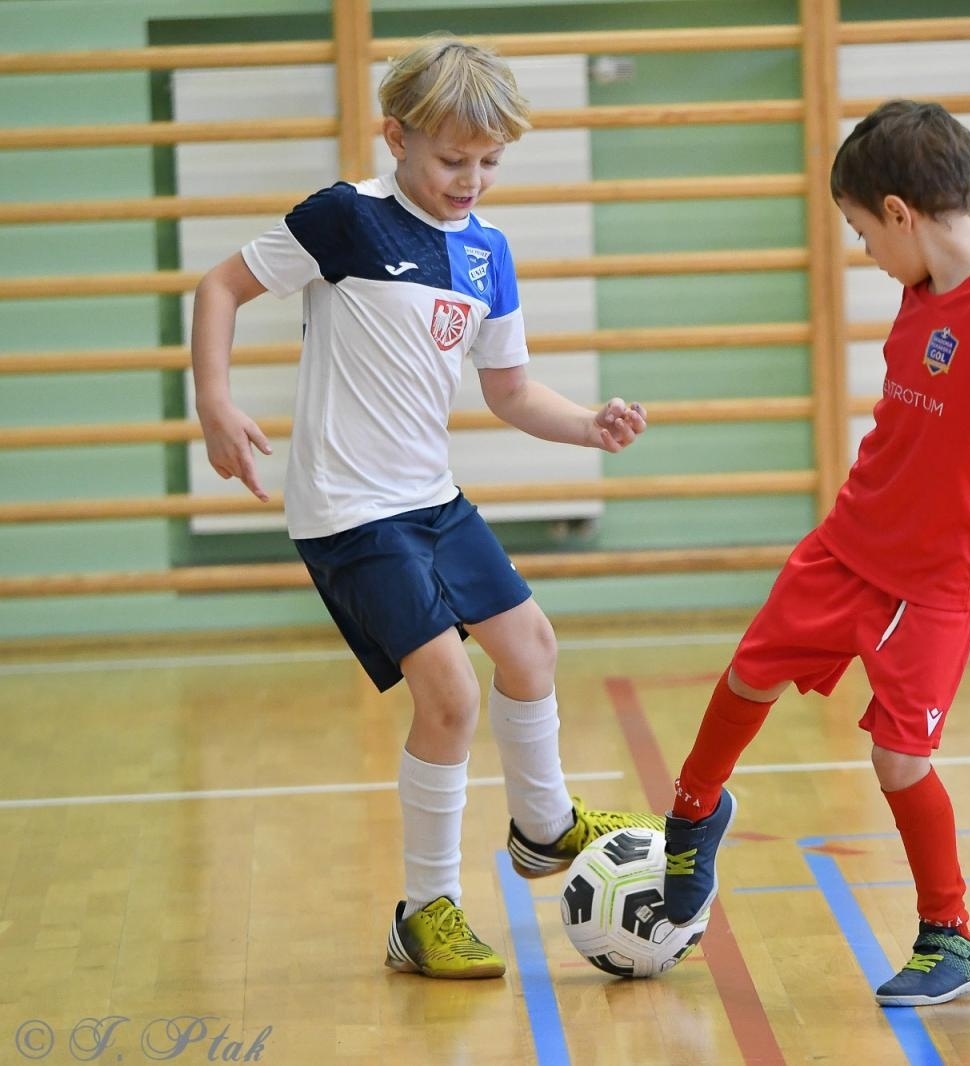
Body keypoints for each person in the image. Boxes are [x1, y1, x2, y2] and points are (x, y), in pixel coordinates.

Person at [189, 36, 661, 980]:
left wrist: (590, 427)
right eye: (453, 160)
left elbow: (513, 393)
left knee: (531, 648)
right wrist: (216, 402)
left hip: (430, 500)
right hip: (350, 512)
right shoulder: (347, 219)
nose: (471, 180)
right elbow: (221, 287)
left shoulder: (487, 253)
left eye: (489, 163)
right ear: (396, 137)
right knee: (449, 694)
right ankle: (426, 909)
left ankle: (544, 827)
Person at [662, 100, 970, 1007]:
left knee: (899, 763)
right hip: (847, 544)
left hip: (932, 586)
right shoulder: (919, 290)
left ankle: (952, 937)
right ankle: (693, 814)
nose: (864, 252)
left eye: (862, 232)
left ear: (899, 212)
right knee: (748, 674)